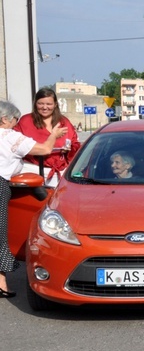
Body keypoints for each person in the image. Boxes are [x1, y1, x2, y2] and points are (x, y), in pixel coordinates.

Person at [0, 100, 67, 298]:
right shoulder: (9, 137)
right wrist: (54, 136)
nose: (16, 123)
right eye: (15, 120)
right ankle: (1, 282)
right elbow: (44, 150)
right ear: (5, 119)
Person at [14, 88, 81, 187]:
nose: (45, 107)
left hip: (60, 173)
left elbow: (75, 144)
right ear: (35, 103)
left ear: (55, 104)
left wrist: (69, 150)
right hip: (32, 172)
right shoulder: (26, 121)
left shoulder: (64, 122)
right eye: (40, 103)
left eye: (49, 104)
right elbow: (15, 145)